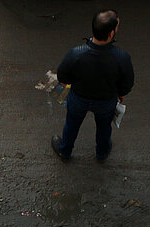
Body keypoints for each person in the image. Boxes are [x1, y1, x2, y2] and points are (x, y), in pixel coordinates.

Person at [51, 8, 134, 161]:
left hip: (78, 99)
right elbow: (127, 82)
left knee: (71, 125)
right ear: (111, 34)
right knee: (104, 128)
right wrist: (121, 94)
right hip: (106, 102)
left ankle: (65, 151)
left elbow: (63, 75)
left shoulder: (75, 53)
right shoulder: (122, 57)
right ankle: (102, 153)